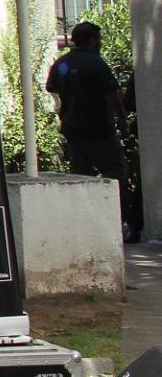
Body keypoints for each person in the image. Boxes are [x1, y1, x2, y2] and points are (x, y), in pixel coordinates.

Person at [48, 22, 135, 240]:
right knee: (117, 175)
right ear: (93, 41)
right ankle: (120, 223)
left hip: (73, 131)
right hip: (99, 131)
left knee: (81, 178)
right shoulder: (95, 63)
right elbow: (112, 95)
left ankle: (84, 226)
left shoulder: (61, 63)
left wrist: (63, 112)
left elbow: (53, 90)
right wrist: (122, 122)